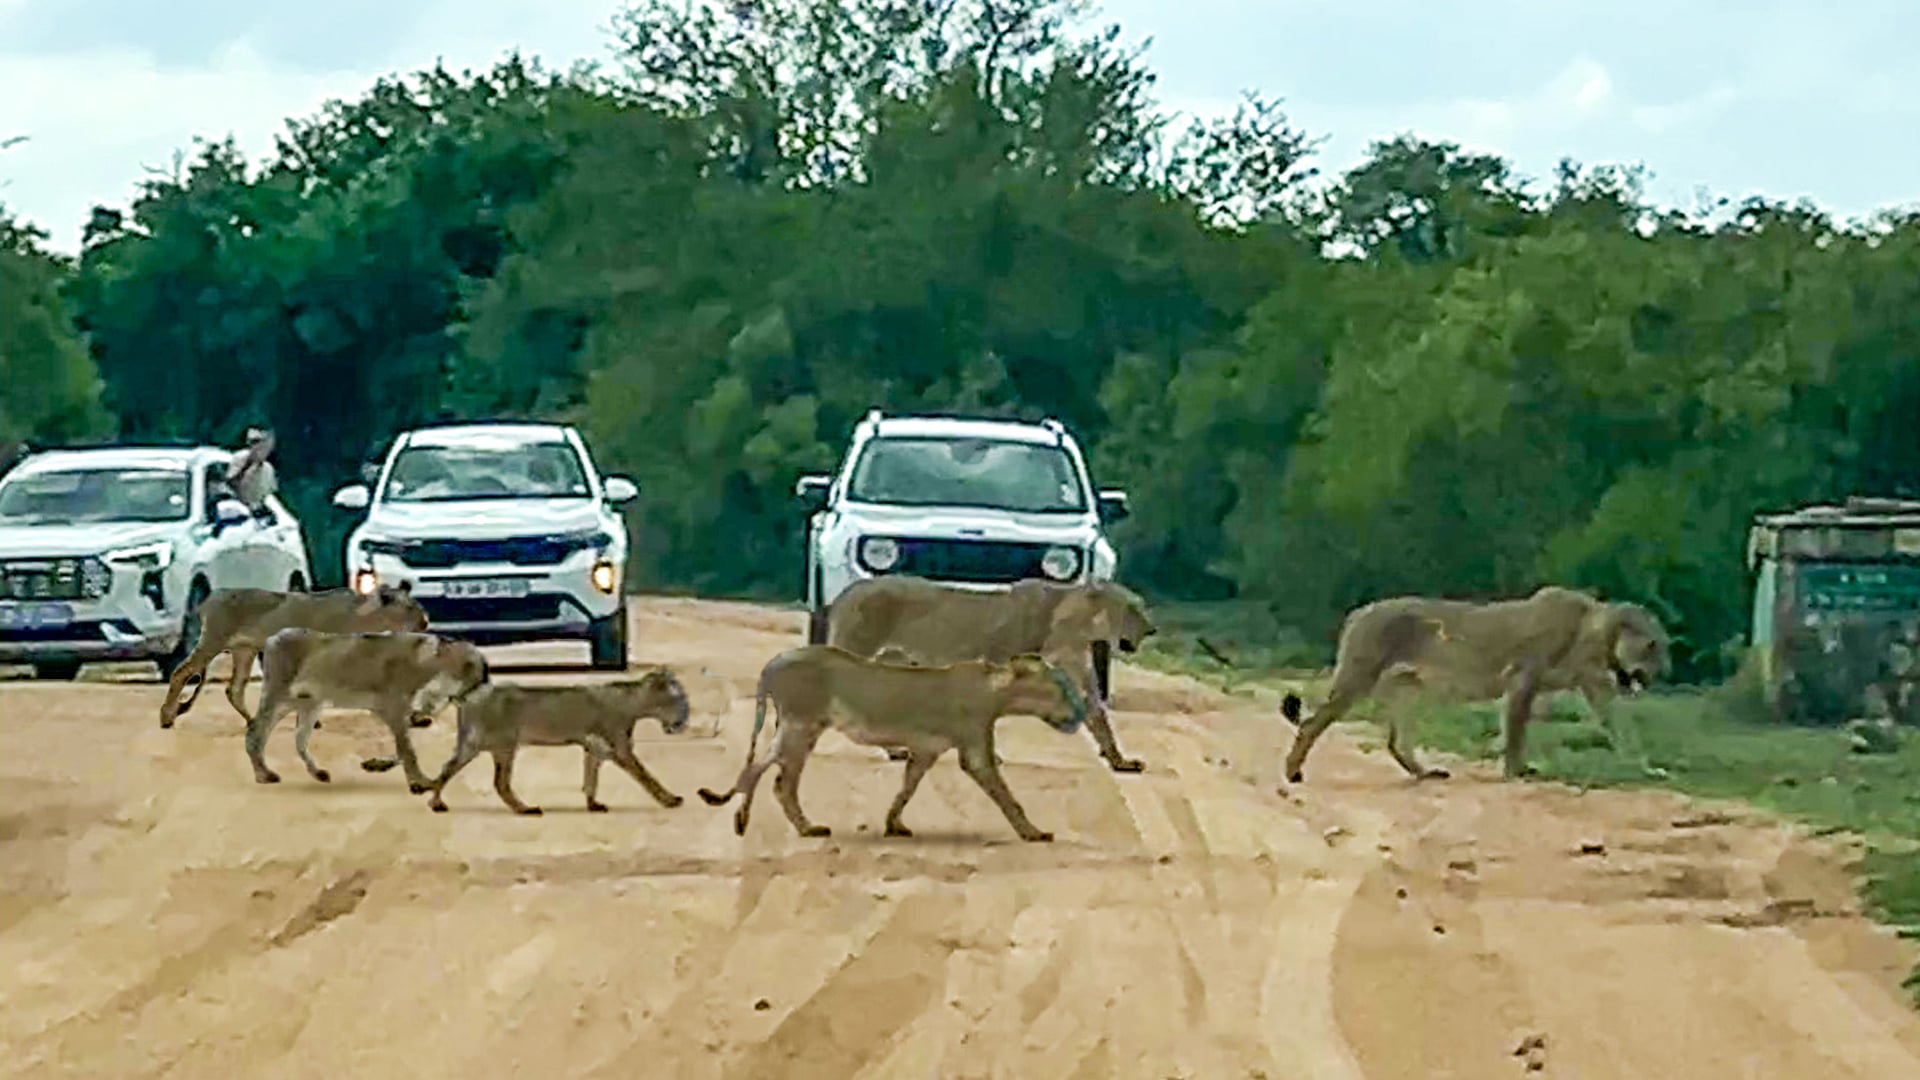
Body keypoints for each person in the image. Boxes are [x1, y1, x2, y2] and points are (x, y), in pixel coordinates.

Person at [225, 427, 278, 520]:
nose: (256, 447)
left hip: (256, 516)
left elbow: (269, 496)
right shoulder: (240, 458)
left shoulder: (268, 469)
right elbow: (231, 482)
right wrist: (248, 465)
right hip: (237, 513)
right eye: (253, 442)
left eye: (259, 442)